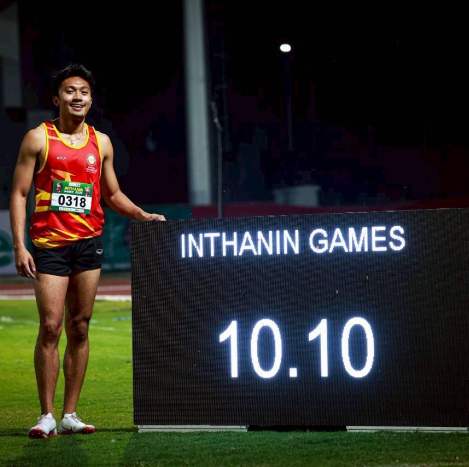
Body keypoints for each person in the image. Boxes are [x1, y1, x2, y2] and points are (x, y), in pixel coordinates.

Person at [9, 63, 166, 439]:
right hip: (49, 245)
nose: (77, 97)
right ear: (56, 98)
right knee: (51, 326)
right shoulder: (38, 138)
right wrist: (19, 244)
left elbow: (112, 193)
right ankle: (46, 415)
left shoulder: (102, 142)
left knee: (79, 327)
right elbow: (18, 193)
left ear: (91, 99)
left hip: (88, 244)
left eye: (83, 92)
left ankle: (69, 414)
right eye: (69, 91)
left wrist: (142, 214)